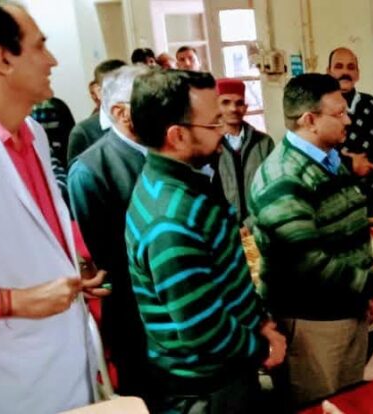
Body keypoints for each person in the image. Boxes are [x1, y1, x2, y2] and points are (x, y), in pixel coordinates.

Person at [125, 69, 285, 413]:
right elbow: (203, 329)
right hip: (208, 387)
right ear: (178, 136)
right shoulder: (171, 220)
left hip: (227, 367)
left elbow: (223, 276)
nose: (223, 131)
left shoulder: (187, 181)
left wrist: (259, 320)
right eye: (213, 124)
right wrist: (262, 346)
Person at [248, 73, 373, 405]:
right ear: (310, 120)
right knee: (320, 405)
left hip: (345, 311)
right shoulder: (284, 177)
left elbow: (342, 232)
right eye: (339, 113)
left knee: (350, 402)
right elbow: (307, 264)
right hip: (311, 324)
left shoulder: (329, 160)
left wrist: (363, 295)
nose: (348, 120)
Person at [0, 3, 108, 413]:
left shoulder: (33, 133)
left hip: (64, 354)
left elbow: (38, 225)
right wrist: (14, 301)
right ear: (2, 58)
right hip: (7, 372)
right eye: (39, 47)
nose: (52, 60)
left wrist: (75, 263)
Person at [68, 65, 151, 397]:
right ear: (121, 112)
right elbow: (109, 259)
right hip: (137, 321)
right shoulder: (91, 170)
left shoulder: (168, 148)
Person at [327, 47, 373, 215]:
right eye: (338, 66)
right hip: (335, 201)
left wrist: (368, 163)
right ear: (329, 71)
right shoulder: (320, 108)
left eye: (350, 67)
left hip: (372, 196)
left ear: (357, 74)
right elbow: (315, 151)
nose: (345, 72)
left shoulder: (371, 105)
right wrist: (348, 164)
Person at [211, 77, 274, 225]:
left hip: (258, 225)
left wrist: (250, 224)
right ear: (215, 106)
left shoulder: (264, 143)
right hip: (222, 229)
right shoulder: (209, 144)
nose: (233, 108)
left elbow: (273, 188)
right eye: (226, 102)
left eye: (239, 103)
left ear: (245, 108)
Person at [67, 58, 125, 166]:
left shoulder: (140, 122)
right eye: (117, 88)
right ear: (99, 92)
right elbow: (76, 172)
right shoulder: (83, 132)